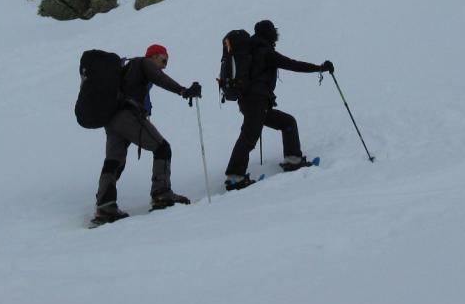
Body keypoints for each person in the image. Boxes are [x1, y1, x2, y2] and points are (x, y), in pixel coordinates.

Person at [91, 44, 202, 226]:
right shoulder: (144, 63)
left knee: (113, 161)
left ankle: (105, 205)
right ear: (154, 55)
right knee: (162, 148)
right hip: (127, 116)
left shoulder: (128, 69)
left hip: (111, 119)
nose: (164, 65)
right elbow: (160, 78)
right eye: (164, 60)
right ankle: (162, 193)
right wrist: (183, 90)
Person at [224, 20, 333, 191]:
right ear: (268, 33)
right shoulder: (265, 52)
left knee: (287, 122)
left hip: (250, 102)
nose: (276, 34)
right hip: (257, 102)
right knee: (248, 137)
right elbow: (292, 64)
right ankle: (235, 177)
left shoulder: (251, 50)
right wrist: (319, 68)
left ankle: (293, 160)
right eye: (273, 31)